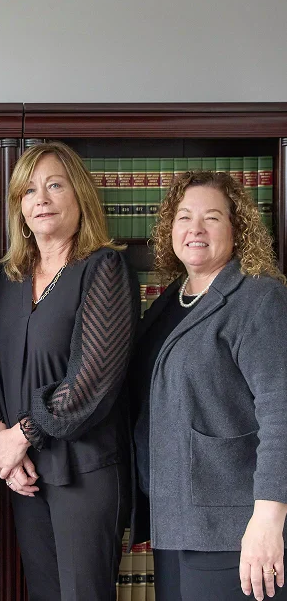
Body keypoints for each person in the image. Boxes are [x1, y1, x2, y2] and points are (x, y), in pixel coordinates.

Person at [0, 141, 139, 600]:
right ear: (19, 208)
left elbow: (92, 381)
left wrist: (20, 435)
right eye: (29, 191)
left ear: (81, 197)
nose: (42, 199)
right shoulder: (12, 277)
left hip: (85, 472)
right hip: (24, 473)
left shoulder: (104, 268)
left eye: (55, 185)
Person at [129, 171, 287, 601]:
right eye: (184, 217)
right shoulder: (169, 300)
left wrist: (268, 520)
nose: (195, 229)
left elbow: (282, 411)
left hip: (233, 528)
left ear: (238, 230)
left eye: (212, 218)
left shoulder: (258, 297)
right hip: (174, 520)